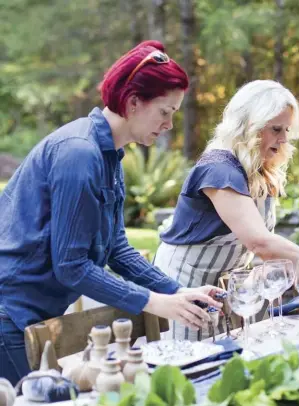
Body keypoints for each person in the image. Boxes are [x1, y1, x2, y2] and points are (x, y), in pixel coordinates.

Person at [0, 40, 224, 385]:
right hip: (9, 316)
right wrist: (153, 302)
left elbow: (117, 248)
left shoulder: (109, 156)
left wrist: (174, 292)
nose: (169, 125)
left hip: (33, 317)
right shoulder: (79, 154)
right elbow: (71, 267)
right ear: (134, 102)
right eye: (165, 112)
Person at [155, 80, 299, 341]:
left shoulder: (257, 169)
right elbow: (260, 242)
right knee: (191, 368)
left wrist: (290, 268)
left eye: (287, 130)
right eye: (275, 129)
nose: (283, 140)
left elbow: (258, 248)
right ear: (247, 127)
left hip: (227, 290)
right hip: (184, 286)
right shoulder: (218, 169)